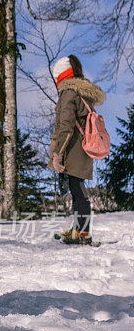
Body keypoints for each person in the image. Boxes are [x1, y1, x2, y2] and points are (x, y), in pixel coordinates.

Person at [48, 55, 105, 245]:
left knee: (78, 191)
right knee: (76, 189)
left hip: (73, 149)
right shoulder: (81, 92)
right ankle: (79, 229)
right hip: (83, 148)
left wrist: (57, 154)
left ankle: (84, 233)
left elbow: (65, 126)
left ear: (61, 76)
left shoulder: (68, 93)